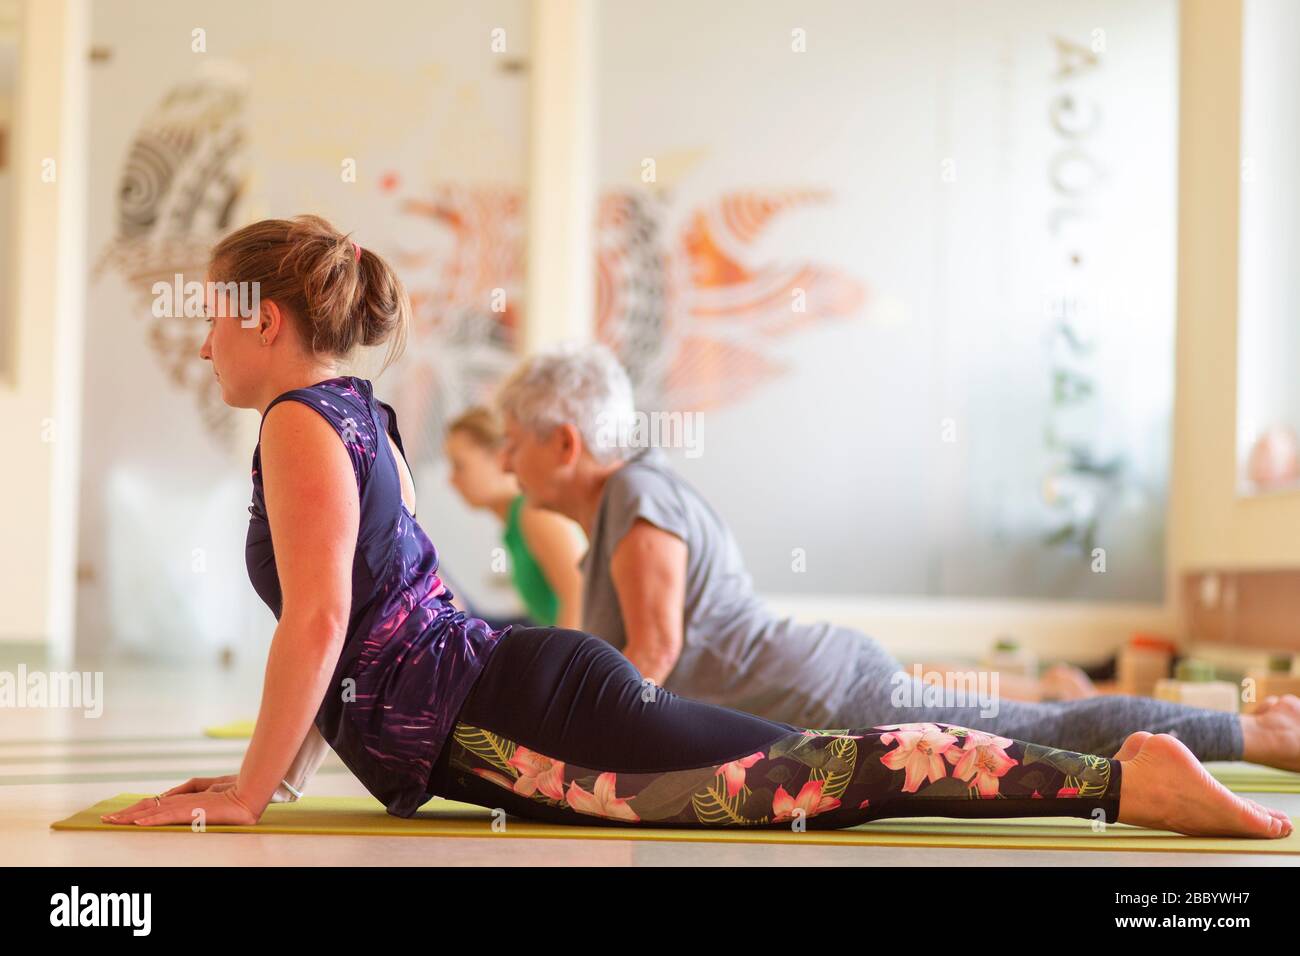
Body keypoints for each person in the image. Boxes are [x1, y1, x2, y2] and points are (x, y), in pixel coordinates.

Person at [100, 215, 1291, 840]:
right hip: (524, 691)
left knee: (818, 781)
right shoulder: (354, 412)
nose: (201, 345)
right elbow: (362, 628)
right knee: (823, 774)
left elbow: (318, 619)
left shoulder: (298, 425)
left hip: (529, 708)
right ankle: (1120, 775)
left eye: (210, 319)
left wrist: (254, 791)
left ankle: (1122, 780)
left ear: (258, 317)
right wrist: (280, 777)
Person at [492, 344, 1300, 772]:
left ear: (565, 443)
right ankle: (1258, 726)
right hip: (824, 685)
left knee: (1054, 735)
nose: (502, 462)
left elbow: (653, 656)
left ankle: (1261, 735)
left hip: (832, 694)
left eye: (512, 442)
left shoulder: (636, 496)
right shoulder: (625, 506)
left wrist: (572, 754)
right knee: (1048, 728)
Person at [444, 405, 585, 628]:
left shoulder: (535, 515)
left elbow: (580, 598)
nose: (451, 480)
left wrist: (563, 663)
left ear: (499, 457)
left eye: (459, 465)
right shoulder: (515, 523)